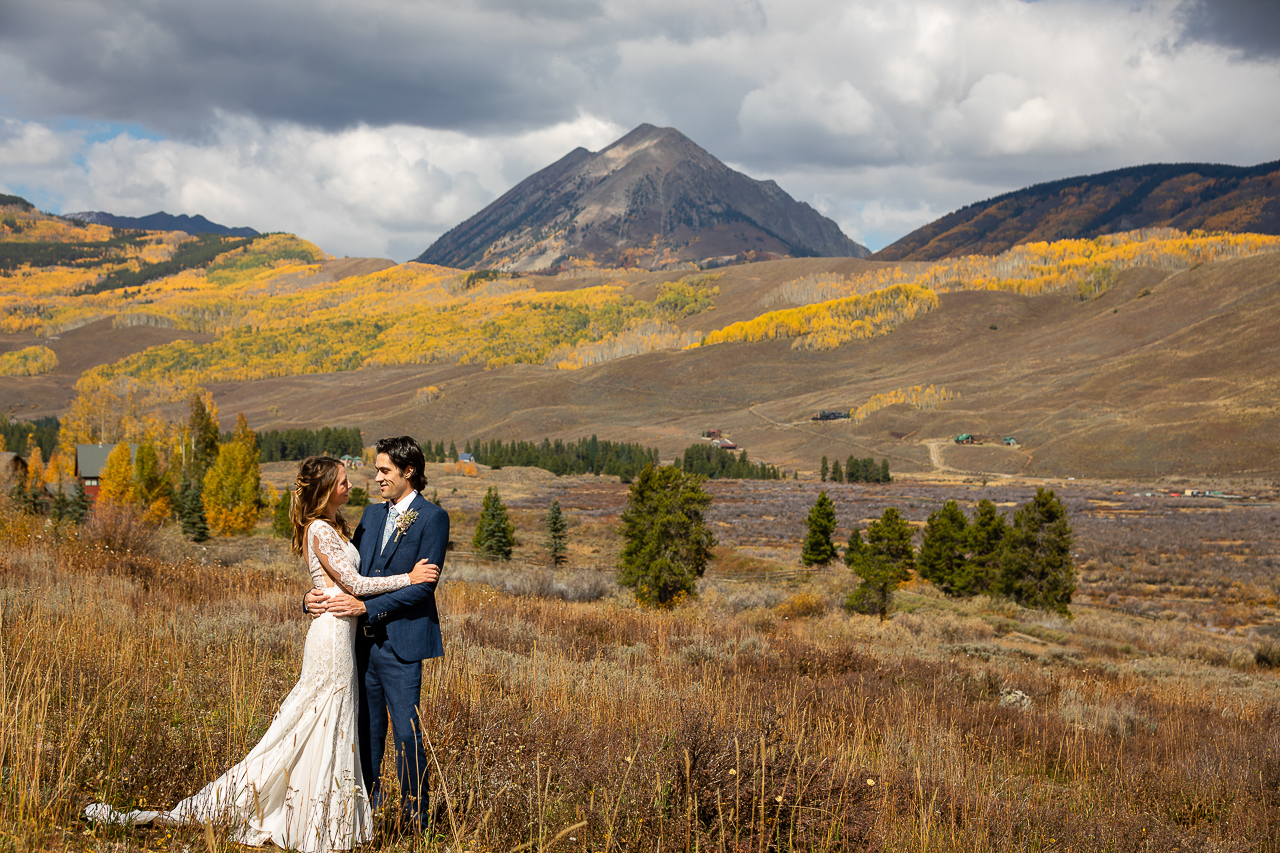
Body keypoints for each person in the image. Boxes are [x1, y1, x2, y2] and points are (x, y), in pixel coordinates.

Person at [85, 456, 439, 852]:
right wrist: (405, 577)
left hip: (346, 635)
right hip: (333, 637)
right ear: (324, 489)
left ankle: (324, 811)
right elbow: (354, 581)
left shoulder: (341, 526)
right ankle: (304, 812)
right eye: (343, 480)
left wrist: (317, 596)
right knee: (315, 721)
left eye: (370, 474)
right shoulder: (322, 528)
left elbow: (341, 582)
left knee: (329, 723)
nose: (355, 484)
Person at [304, 435, 449, 833]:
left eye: (384, 470)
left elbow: (423, 587)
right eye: (377, 469)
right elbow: (346, 575)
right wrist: (309, 598)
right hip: (360, 646)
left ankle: (416, 818)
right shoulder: (369, 515)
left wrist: (367, 608)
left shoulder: (433, 518)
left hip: (402, 645)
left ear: (409, 472)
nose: (377, 477)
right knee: (365, 733)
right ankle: (362, 815)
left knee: (407, 734)